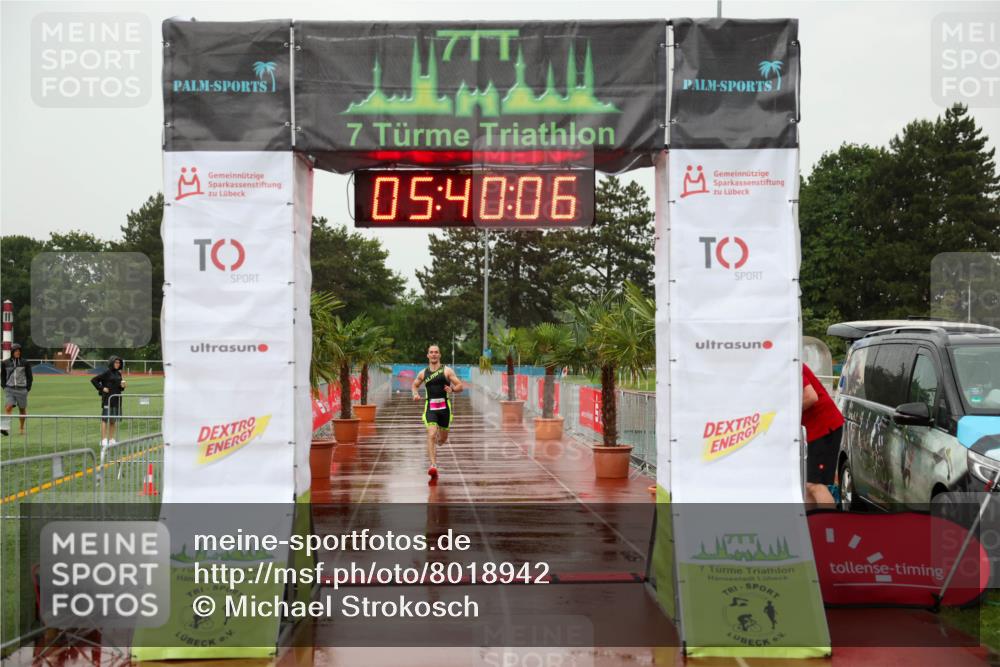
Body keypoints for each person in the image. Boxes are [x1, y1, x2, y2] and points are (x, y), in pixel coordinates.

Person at [411, 344, 463, 480]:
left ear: (439, 355)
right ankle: (433, 465)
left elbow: (460, 385)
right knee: (432, 433)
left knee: (442, 439)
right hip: (431, 408)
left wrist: (453, 390)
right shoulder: (423, 373)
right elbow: (414, 385)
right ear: (428, 355)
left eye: (436, 352)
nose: (433, 354)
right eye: (431, 352)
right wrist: (415, 394)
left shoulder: (447, 371)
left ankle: (439, 442)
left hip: (445, 408)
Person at [802, 363, 843, 507]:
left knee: (815, 485)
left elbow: (811, 396)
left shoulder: (789, 365)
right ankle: (813, 526)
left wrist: (788, 414)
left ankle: (829, 526)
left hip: (824, 427)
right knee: (809, 486)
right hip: (816, 429)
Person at [92, 356, 126, 448]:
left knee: (113, 420)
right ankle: (103, 440)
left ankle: (111, 439)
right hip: (108, 399)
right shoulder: (107, 372)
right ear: (112, 363)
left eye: (119, 363)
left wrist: (123, 386)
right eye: (116, 362)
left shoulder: (119, 373)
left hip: (117, 399)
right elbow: (94, 380)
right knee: (105, 419)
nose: (117, 364)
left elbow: (120, 388)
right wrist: (102, 388)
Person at [1, 343, 33, 436]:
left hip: (22, 390)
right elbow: (2, 376)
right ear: (12, 352)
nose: (17, 352)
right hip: (9, 389)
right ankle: (5, 428)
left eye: (19, 351)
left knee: (22, 409)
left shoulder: (25, 363)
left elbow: (29, 377)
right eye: (16, 351)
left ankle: (22, 428)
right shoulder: (5, 363)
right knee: (8, 407)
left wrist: (27, 388)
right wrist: (4, 386)